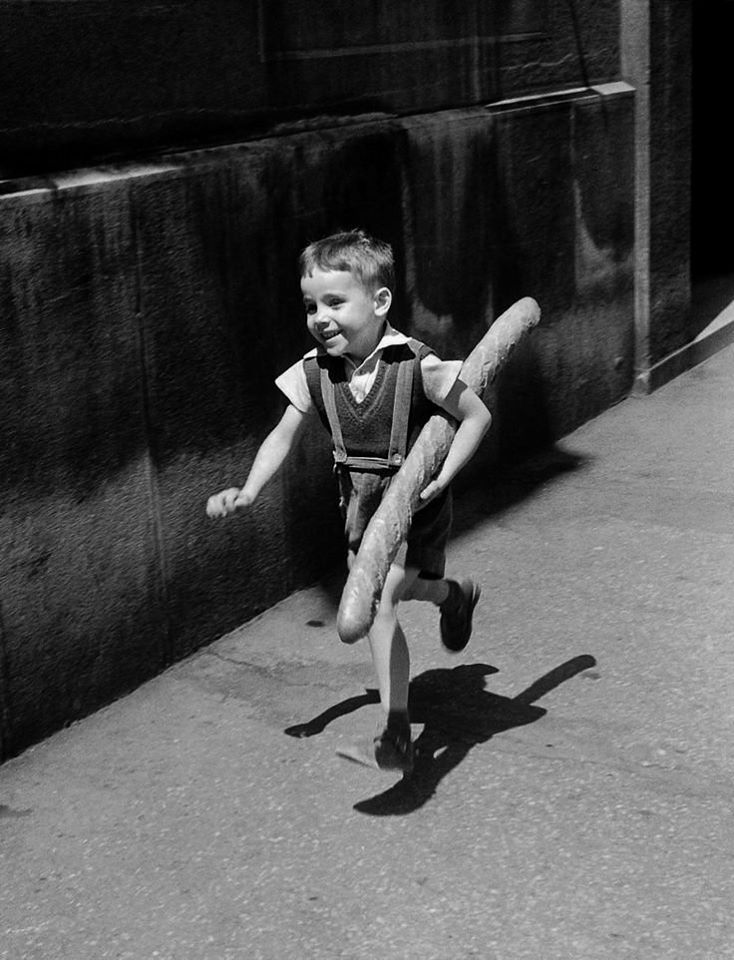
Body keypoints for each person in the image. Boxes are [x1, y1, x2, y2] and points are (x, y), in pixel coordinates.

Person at [206, 229, 492, 774]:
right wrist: (249, 488)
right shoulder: (315, 370)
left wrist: (442, 476)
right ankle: (453, 595)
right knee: (400, 592)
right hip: (359, 507)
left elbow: (476, 416)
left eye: (335, 302)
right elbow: (282, 435)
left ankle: (397, 735)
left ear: (380, 302)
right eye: (311, 304)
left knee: (380, 604)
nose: (320, 316)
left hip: (413, 503)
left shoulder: (415, 365)